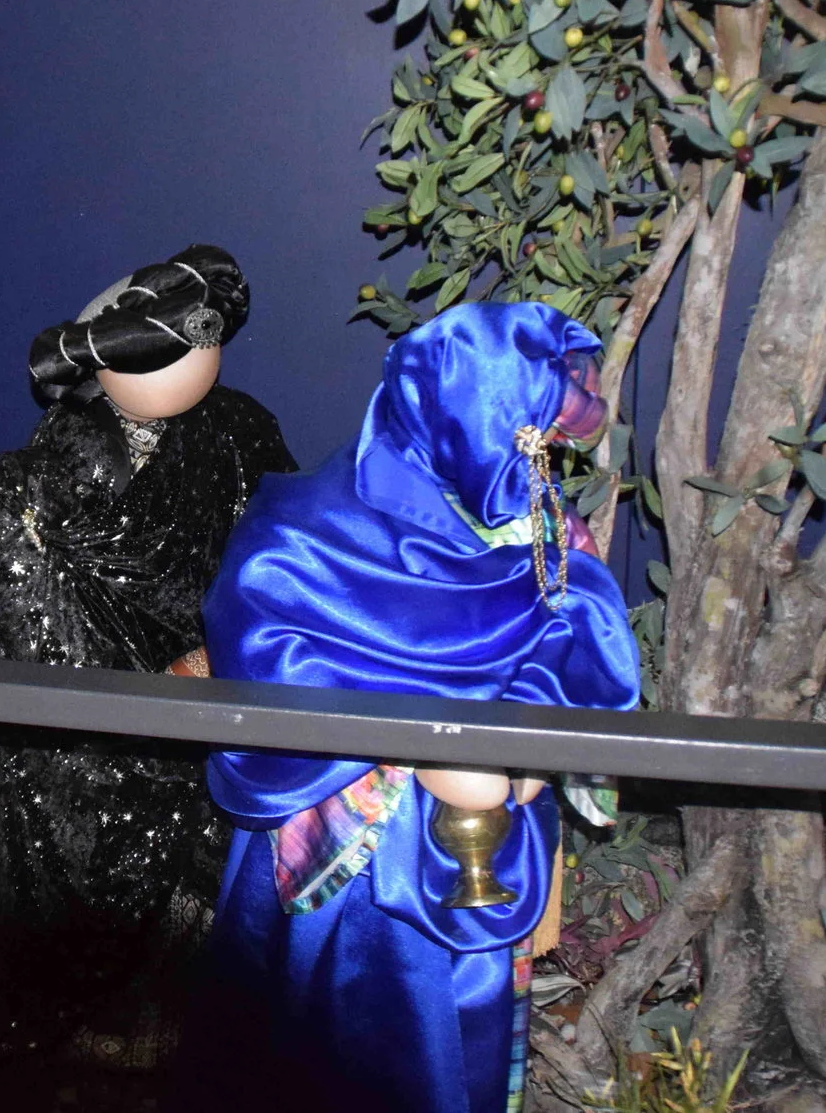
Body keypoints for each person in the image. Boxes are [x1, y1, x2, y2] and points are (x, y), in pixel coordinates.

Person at [174, 300, 640, 1113]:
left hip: (479, 861)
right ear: (450, 421)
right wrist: (411, 737)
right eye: (518, 442)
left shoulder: (538, 525)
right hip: (341, 861)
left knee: (457, 1044)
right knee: (316, 1053)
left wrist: (520, 749)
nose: (534, 469)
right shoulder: (305, 531)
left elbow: (578, 633)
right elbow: (265, 638)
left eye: (544, 445)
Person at [0, 244, 293, 1069]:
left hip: (214, 711)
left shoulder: (241, 434)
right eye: (161, 349)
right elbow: (35, 658)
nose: (192, 358)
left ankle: (177, 1009)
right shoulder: (29, 484)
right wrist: (144, 712)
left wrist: (220, 655)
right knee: (90, 836)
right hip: (80, 743)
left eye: (205, 339)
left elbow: (287, 567)